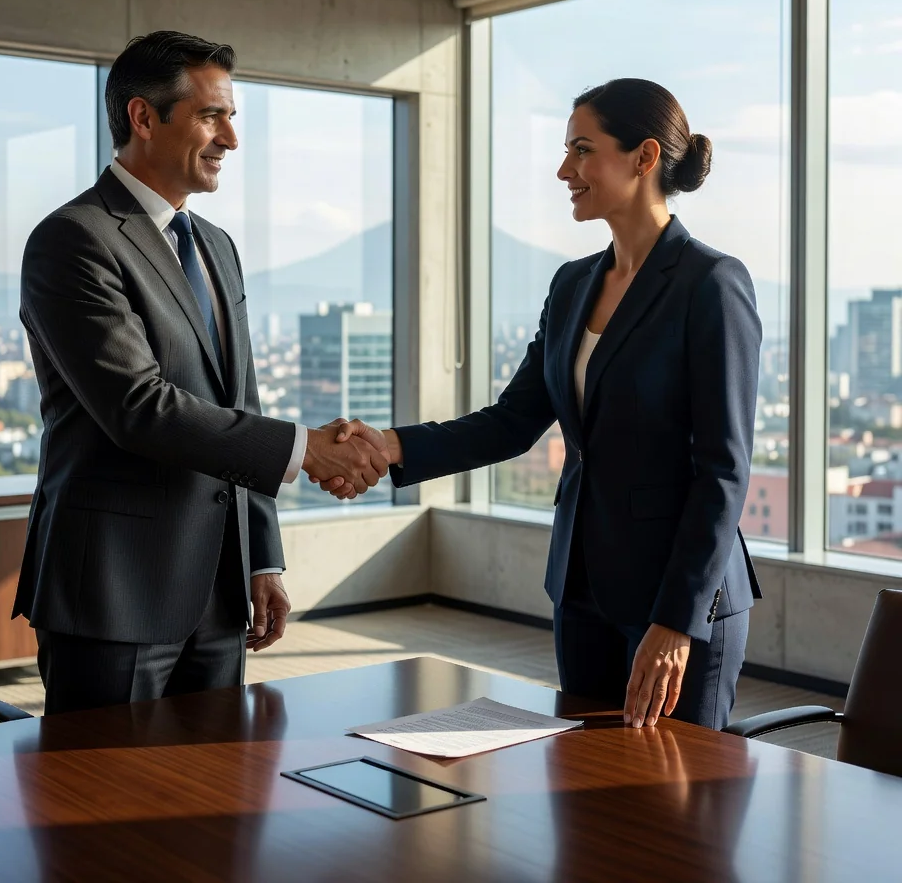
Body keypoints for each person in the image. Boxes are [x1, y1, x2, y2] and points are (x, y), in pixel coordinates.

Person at [322, 78, 762, 731]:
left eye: (582, 150)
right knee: (582, 804)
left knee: (678, 808)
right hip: (581, 588)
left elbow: (723, 471)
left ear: (643, 158)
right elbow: (513, 420)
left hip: (679, 601)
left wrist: (676, 621)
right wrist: (389, 446)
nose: (564, 170)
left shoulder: (711, 284)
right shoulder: (573, 283)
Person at [13, 30, 388, 715]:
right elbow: (138, 407)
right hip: (114, 592)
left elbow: (239, 401)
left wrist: (262, 558)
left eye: (232, 118)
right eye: (212, 116)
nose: (231, 140)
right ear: (143, 117)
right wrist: (307, 450)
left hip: (219, 596)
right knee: (104, 808)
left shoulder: (215, 247)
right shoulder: (73, 239)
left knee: (215, 805)